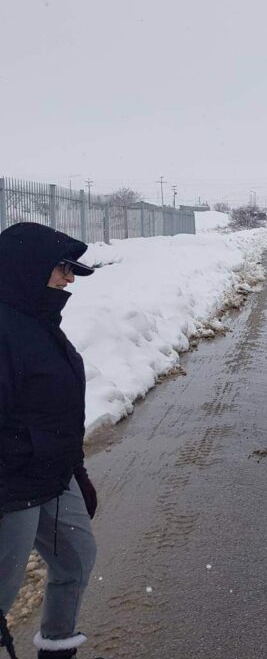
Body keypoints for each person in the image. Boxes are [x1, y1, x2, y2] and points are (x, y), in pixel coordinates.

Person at [0, 223, 100, 659]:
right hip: (12, 490)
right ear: (27, 268)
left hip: (54, 479)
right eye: (62, 268)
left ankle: (58, 647)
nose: (69, 279)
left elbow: (53, 409)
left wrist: (74, 468)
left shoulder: (39, 322)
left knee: (76, 562)